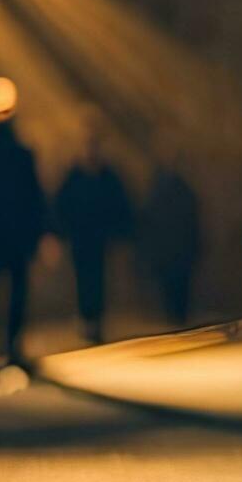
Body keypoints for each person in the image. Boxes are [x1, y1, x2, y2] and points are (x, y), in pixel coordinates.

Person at [0, 115, 47, 362]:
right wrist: (39, 233)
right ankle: (14, 337)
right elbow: (35, 199)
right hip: (17, 236)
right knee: (17, 288)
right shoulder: (24, 158)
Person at [55, 125, 133, 343]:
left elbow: (120, 206)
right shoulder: (74, 176)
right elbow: (62, 206)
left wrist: (120, 233)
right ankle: (87, 317)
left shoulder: (107, 176)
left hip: (99, 239)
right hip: (80, 239)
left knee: (98, 279)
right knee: (84, 279)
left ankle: (95, 319)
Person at [139, 152, 201, 326]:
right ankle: (178, 321)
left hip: (172, 252)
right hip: (174, 252)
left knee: (174, 290)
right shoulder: (181, 191)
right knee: (178, 290)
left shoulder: (161, 192)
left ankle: (176, 321)